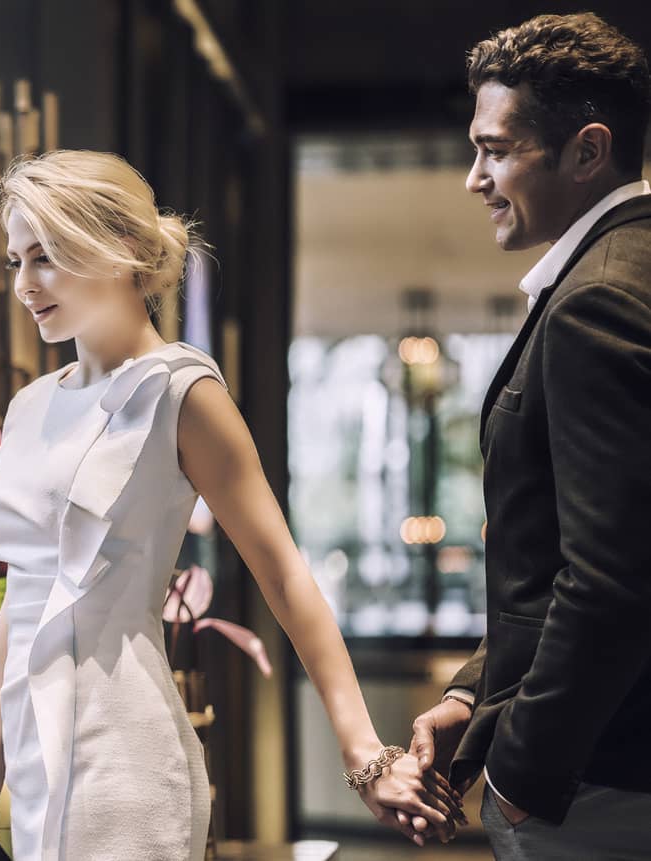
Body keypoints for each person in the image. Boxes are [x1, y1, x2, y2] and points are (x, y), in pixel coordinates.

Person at [0, 150, 461, 861]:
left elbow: (283, 574)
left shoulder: (180, 389)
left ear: (119, 248)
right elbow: (21, 606)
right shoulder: (29, 406)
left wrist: (363, 750)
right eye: (16, 260)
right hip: (34, 761)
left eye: (45, 256)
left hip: (125, 754)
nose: (24, 283)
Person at [403, 13, 651, 859]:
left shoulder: (598, 301)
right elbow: (546, 570)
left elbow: (611, 578)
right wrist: (474, 694)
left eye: (496, 150)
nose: (474, 178)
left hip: (602, 780)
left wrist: (521, 771)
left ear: (588, 152)